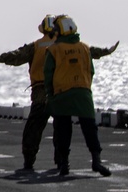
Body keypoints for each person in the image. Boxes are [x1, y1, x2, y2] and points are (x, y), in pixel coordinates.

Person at [0, 15, 118, 172]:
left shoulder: (38, 46)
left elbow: (17, 56)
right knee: (63, 126)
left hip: (44, 92)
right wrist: (106, 51)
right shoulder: (77, 46)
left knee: (35, 128)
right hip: (69, 91)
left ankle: (29, 161)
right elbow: (91, 55)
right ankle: (62, 161)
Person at [45, 15, 111, 177]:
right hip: (83, 92)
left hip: (62, 94)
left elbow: (48, 74)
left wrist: (50, 94)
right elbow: (91, 71)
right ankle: (96, 160)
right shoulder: (85, 48)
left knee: (63, 128)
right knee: (89, 127)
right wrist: (85, 87)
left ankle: (64, 164)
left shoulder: (53, 50)